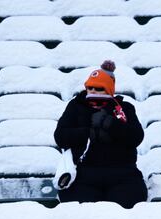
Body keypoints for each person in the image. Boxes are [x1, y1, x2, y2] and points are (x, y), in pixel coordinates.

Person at [53, 60, 148, 208]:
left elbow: (136, 137)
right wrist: (88, 132)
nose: (93, 92)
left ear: (109, 90)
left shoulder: (124, 108)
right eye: (90, 88)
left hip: (122, 173)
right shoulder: (76, 106)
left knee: (126, 204)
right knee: (81, 209)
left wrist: (110, 124)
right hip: (83, 174)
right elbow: (60, 137)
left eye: (99, 89)